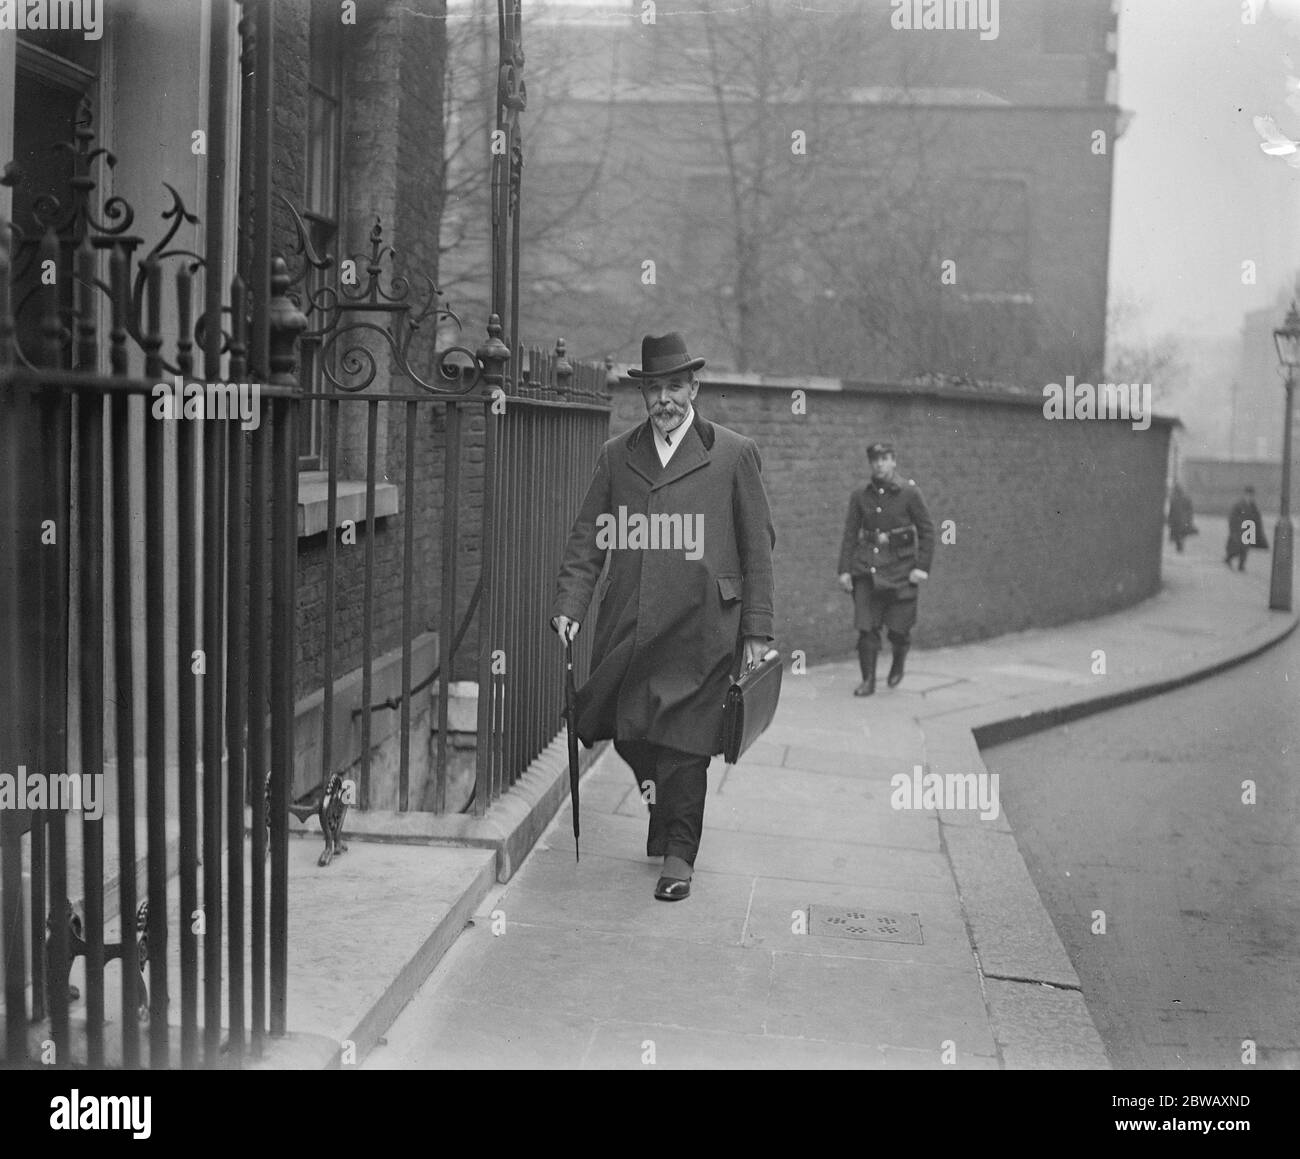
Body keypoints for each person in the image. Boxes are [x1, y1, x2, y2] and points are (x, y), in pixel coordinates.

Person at [551, 332, 775, 902]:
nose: (665, 400)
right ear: (643, 395)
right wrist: (570, 607)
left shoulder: (732, 453)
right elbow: (586, 541)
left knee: (688, 741)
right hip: (633, 622)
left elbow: (757, 549)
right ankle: (659, 800)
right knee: (629, 732)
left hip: (704, 626)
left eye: (675, 386)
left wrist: (757, 631)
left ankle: (680, 853)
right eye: (654, 389)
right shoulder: (617, 455)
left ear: (693, 387)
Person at [837, 442, 934, 696]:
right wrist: (844, 570)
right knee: (866, 628)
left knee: (899, 630)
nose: (879, 464)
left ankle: (899, 659)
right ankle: (868, 680)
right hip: (866, 570)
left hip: (901, 571)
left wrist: (921, 567)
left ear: (894, 461)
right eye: (875, 459)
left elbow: (927, 531)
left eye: (885, 458)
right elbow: (850, 533)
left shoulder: (910, 493)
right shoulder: (860, 494)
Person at [1225, 484, 1267, 571]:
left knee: (1245, 549)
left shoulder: (1253, 506)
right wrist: (1233, 529)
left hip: (1249, 529)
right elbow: (1232, 517)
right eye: (1248, 494)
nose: (1250, 497)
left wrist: (1258, 529)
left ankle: (1241, 565)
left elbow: (1257, 518)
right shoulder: (1238, 504)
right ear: (1245, 494)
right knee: (1237, 547)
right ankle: (1229, 558)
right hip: (1239, 529)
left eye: (1251, 495)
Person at [1167, 482, 1196, 552]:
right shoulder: (1184, 498)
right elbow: (1190, 510)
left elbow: (1171, 511)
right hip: (1183, 519)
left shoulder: (1174, 499)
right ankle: (1180, 545)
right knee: (1181, 533)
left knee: (1178, 533)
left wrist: (1170, 519)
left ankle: (1179, 546)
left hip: (1178, 520)